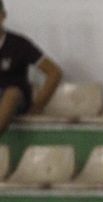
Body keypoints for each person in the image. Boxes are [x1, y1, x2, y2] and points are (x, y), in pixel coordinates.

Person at [0, 1, 61, 138]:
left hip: (15, 99)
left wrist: (38, 106)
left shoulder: (19, 44)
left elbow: (54, 72)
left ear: (2, 16)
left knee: (12, 93)